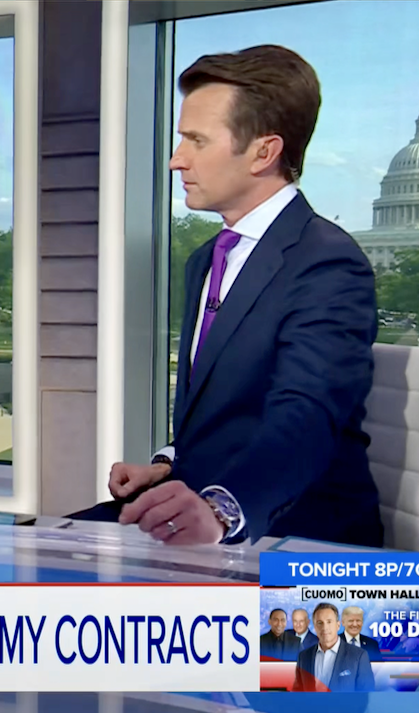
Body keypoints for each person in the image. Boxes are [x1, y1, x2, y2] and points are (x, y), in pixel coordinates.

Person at [69, 45, 382, 546]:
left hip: (294, 531)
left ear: (264, 151)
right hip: (198, 499)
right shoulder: (207, 259)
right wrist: (169, 463)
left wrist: (222, 509)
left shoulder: (327, 263)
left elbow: (305, 417)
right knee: (39, 555)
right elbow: (229, 411)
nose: (177, 160)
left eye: (196, 140)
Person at [292, 603, 375, 692]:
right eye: (320, 623)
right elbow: (298, 694)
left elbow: (366, 696)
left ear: (338, 625)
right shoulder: (303, 657)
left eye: (329, 622)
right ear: (315, 627)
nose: (325, 627)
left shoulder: (359, 656)